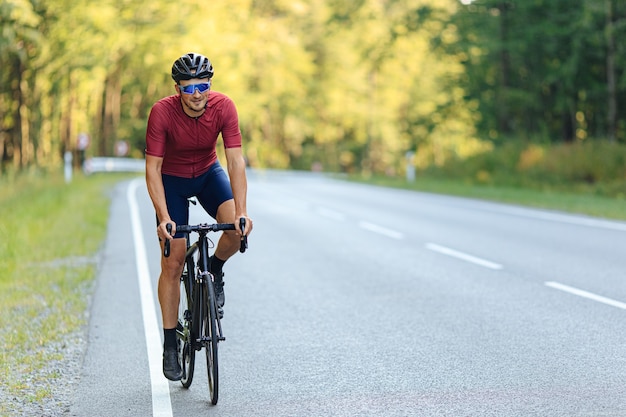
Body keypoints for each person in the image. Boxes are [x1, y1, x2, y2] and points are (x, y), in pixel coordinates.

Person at [145, 52, 253, 381]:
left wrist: (243, 211)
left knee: (235, 229)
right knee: (173, 259)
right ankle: (168, 344)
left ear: (210, 85)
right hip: (172, 183)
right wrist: (163, 217)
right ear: (177, 89)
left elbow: (235, 161)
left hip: (208, 174)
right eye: (188, 88)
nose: (197, 95)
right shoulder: (161, 113)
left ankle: (215, 269)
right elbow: (153, 168)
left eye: (202, 86)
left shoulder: (224, 107)